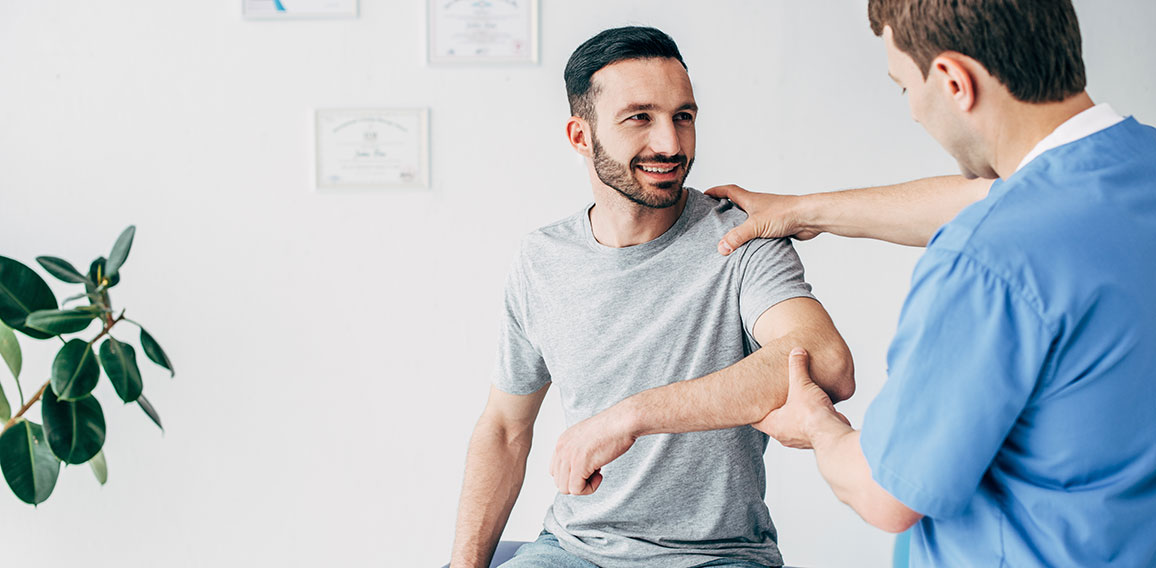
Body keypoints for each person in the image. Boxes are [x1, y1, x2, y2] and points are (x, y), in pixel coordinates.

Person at [708, 1, 1156, 566]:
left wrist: (818, 426)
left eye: (904, 88)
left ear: (952, 80)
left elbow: (885, 492)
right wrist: (802, 210)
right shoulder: (1127, 174)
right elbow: (1003, 198)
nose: (916, 113)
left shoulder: (987, 257)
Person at [449, 26, 854, 568]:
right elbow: (504, 428)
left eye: (683, 117)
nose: (670, 143)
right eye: (640, 117)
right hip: (573, 550)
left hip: (719, 556)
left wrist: (629, 416)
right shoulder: (541, 259)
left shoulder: (742, 238)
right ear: (581, 136)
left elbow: (825, 360)